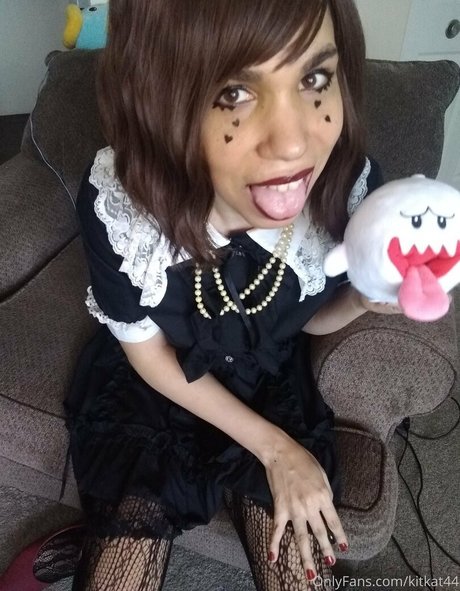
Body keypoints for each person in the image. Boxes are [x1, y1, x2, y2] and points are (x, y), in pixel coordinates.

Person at [65, 0, 400, 589]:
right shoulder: (120, 205)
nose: (293, 144)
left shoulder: (350, 195)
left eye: (314, 79)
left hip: (270, 382)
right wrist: (277, 452)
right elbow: (150, 357)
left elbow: (305, 321)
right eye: (234, 93)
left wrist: (359, 302)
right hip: (159, 383)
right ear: (160, 100)